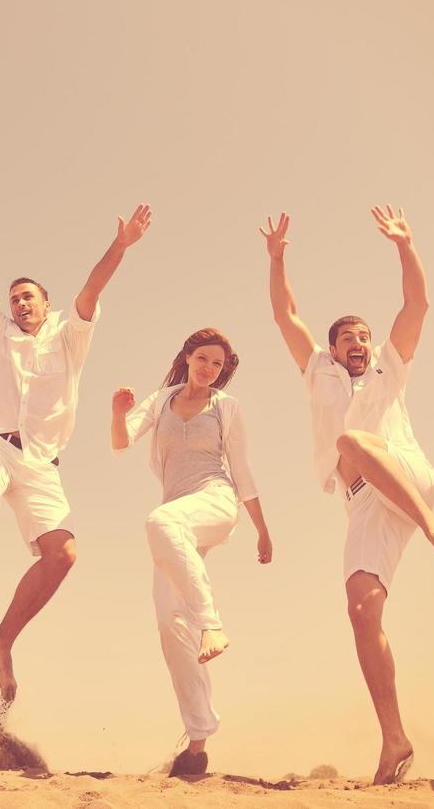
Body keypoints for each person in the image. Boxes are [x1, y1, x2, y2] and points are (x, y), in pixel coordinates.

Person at [0, 198, 152, 703]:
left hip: (43, 462)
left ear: (47, 305)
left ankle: (1, 643)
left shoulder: (70, 336)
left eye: (29, 297)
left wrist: (121, 244)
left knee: (63, 554)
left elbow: (92, 288)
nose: (21, 303)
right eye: (15, 298)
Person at [262, 206, 434, 786]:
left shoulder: (388, 369)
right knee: (360, 607)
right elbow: (286, 315)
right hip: (364, 500)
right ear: (332, 348)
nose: (358, 341)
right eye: (348, 336)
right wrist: (277, 260)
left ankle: (433, 525)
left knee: (352, 437)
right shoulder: (317, 370)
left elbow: (416, 306)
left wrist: (405, 244)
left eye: (364, 336)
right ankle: (395, 738)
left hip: (408, 479)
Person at [111, 328, 272, 778]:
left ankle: (213, 625)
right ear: (186, 357)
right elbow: (121, 441)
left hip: (215, 501)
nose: (209, 369)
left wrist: (262, 530)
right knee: (168, 623)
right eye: (203, 359)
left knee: (159, 522)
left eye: (217, 364)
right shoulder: (161, 400)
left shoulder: (226, 407)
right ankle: (198, 741)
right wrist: (117, 412)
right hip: (177, 519)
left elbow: (241, 470)